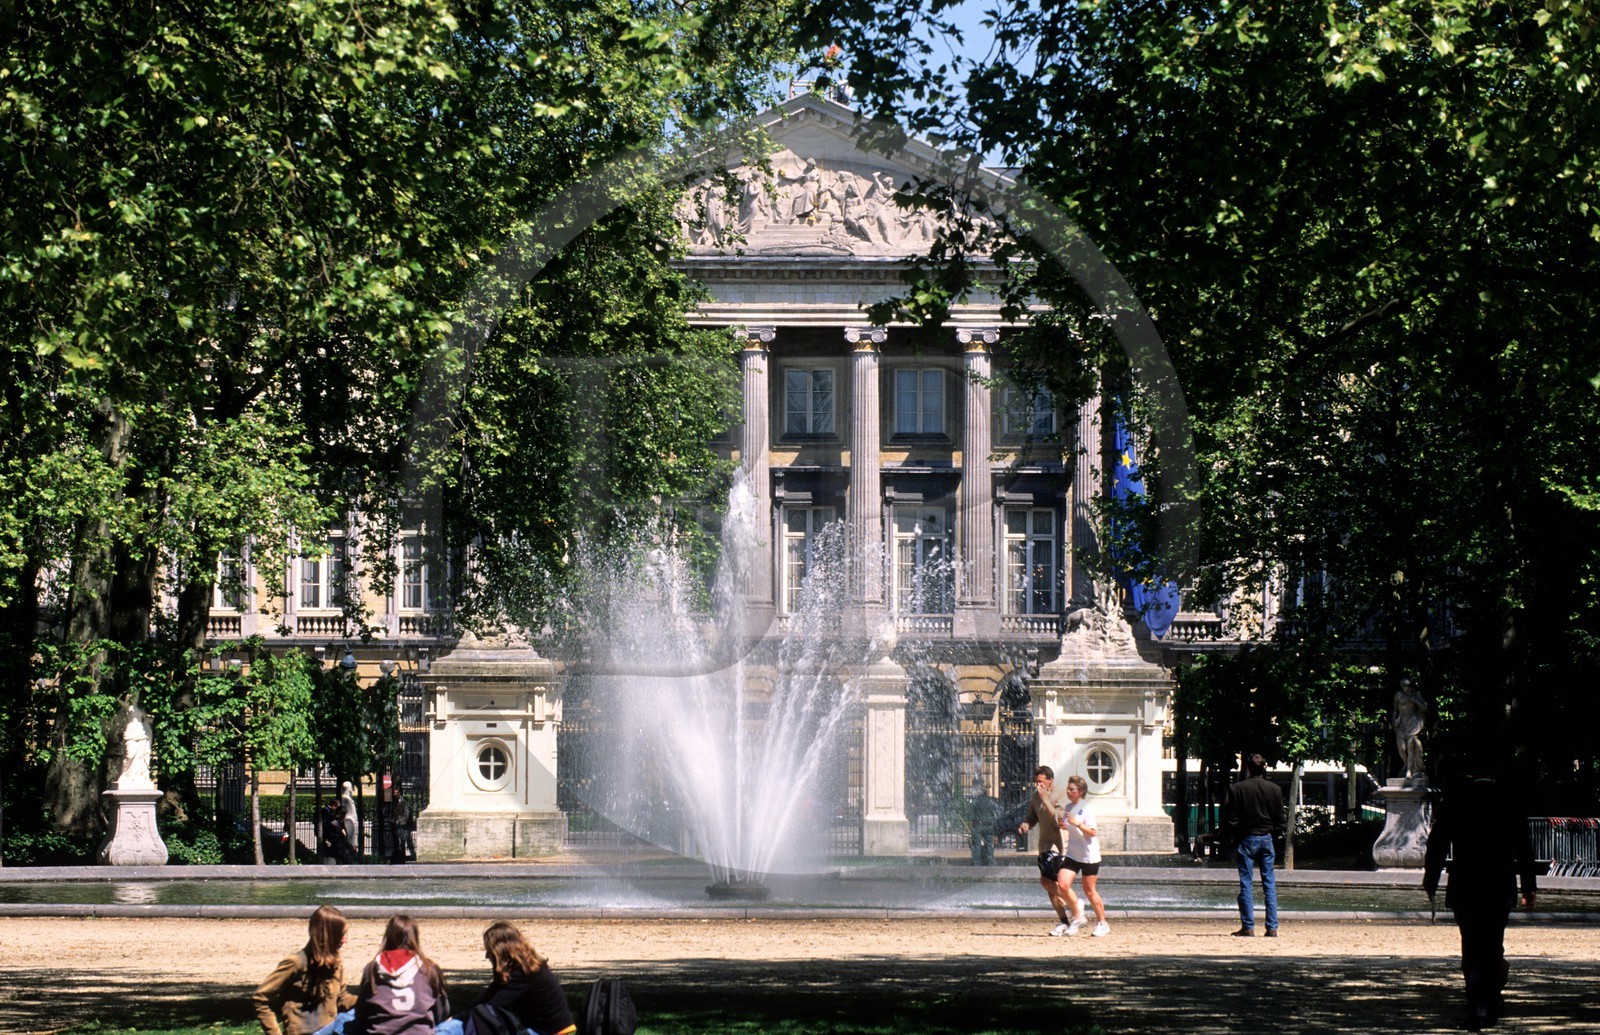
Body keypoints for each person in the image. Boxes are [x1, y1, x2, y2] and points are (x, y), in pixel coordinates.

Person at [1423, 774, 1537, 1030]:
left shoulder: (1456, 801)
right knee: (1493, 944)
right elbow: (1524, 847)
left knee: (1471, 948)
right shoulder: (1508, 801)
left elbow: (1437, 843)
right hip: (1499, 884)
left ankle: (1478, 1009)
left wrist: (1431, 880)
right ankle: (1492, 998)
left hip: (1466, 884)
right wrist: (1529, 886)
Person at [441, 922, 577, 1035]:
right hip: (536, 1029)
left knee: (451, 1029)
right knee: (453, 1026)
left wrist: (461, 1018)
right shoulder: (517, 969)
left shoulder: (526, 973)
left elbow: (492, 1007)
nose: (487, 955)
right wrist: (460, 1016)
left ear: (500, 950)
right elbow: (485, 999)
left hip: (554, 1032)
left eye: (489, 950)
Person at [253, 905, 356, 1035]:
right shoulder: (296, 963)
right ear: (327, 936)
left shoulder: (335, 964)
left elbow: (341, 999)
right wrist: (273, 1032)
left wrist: (368, 1000)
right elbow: (261, 996)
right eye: (340, 935)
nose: (345, 940)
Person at [350, 914, 450, 1035]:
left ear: (388, 936)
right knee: (455, 1025)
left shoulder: (372, 969)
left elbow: (361, 1013)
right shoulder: (429, 969)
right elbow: (442, 1013)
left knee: (344, 1019)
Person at [1223, 753, 1285, 938]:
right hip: (1266, 838)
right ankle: (1272, 927)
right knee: (1269, 884)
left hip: (1247, 839)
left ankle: (1248, 926)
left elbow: (1232, 819)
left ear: (1247, 768)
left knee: (1246, 884)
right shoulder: (1274, 789)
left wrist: (1233, 835)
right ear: (1264, 768)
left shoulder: (1237, 789)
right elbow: (1280, 819)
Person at [1016, 764, 1081, 936]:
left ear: (1050, 781)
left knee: (1052, 882)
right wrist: (1026, 824)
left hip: (1060, 846)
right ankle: (1065, 920)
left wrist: (1046, 798)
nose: (1038, 786)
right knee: (1048, 884)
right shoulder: (1036, 797)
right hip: (1044, 845)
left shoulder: (1061, 794)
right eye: (1036, 782)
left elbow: (1060, 819)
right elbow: (1032, 817)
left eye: (1041, 782)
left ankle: (1075, 907)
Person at [1061, 774, 1110, 937]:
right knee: (1062, 884)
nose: (1068, 792)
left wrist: (1078, 824)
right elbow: (1068, 827)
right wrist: (1063, 825)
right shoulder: (1067, 807)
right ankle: (1078, 915)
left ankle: (1102, 923)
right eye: (1068, 789)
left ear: (1080, 791)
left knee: (1089, 891)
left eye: (1072, 789)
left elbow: (1093, 832)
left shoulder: (1087, 808)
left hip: (1089, 855)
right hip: (1073, 853)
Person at [1393, 679, 1427, 777]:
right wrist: (1393, 721)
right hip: (1401, 725)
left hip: (1412, 724)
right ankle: (1406, 764)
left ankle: (1409, 770)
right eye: (1403, 686)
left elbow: (1425, 708)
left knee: (1410, 747)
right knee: (1402, 748)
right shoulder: (1398, 695)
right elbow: (1395, 710)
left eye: (1407, 686)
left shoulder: (1416, 694)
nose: (1405, 688)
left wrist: (1416, 701)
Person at [967, 788, 1002, 866]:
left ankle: (976, 862)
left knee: (976, 844)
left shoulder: (975, 801)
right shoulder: (990, 802)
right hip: (988, 825)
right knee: (989, 844)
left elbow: (971, 816)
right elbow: (996, 815)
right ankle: (990, 862)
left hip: (977, 825)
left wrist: (971, 826)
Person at [390, 782, 417, 864]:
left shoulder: (403, 802)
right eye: (394, 793)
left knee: (405, 842)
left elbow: (406, 815)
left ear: (399, 793)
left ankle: (409, 857)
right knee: (400, 842)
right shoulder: (394, 802)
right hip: (398, 826)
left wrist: (398, 821)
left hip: (404, 826)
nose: (395, 794)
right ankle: (400, 858)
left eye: (396, 793)